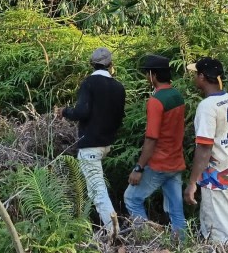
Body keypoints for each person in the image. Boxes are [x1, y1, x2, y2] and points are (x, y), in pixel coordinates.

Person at [184, 57, 228, 253]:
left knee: (223, 228)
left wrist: (192, 182)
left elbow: (204, 148)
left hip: (215, 177)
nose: (195, 78)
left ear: (202, 77)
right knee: (219, 224)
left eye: (196, 74)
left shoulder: (207, 107)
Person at [60, 47, 126, 236]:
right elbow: (119, 116)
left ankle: (113, 233)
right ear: (110, 65)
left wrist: (65, 111)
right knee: (95, 187)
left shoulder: (89, 83)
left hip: (90, 144)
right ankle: (101, 228)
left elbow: (81, 112)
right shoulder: (118, 87)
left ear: (92, 64)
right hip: (107, 144)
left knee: (97, 190)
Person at [123, 54, 186, 236]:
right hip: (176, 162)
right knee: (176, 212)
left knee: (131, 198)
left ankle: (146, 239)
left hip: (159, 164)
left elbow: (151, 138)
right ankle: (182, 249)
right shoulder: (177, 96)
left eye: (147, 74)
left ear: (153, 75)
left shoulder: (155, 101)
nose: (146, 78)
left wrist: (139, 167)